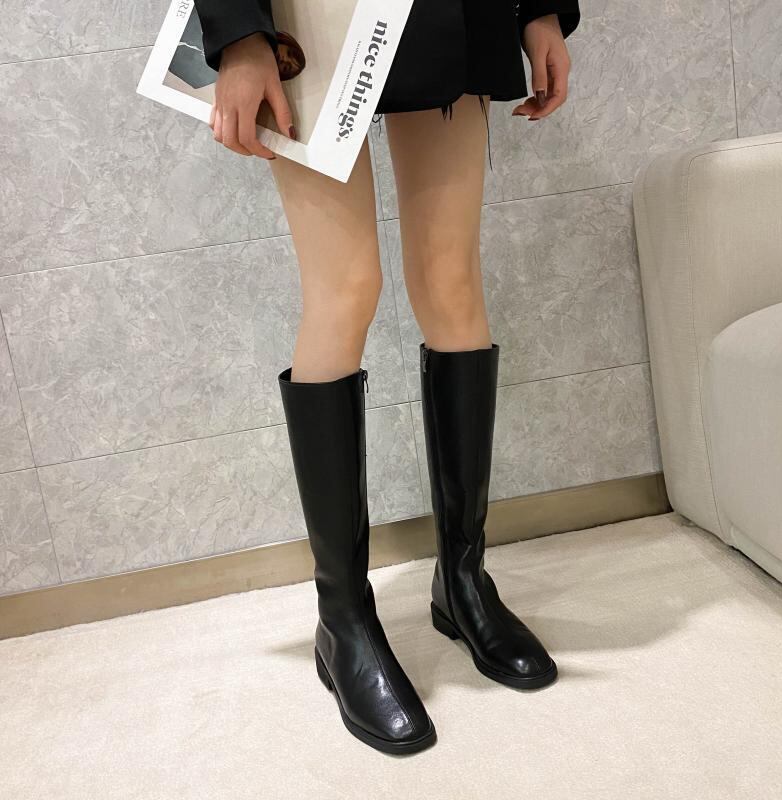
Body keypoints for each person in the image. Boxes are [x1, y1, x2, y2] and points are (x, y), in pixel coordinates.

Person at [194, 0, 581, 756]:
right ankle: (343, 621)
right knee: (344, 289)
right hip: (306, 15)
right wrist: (238, 33)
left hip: (448, 12)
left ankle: (463, 582)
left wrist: (538, 9)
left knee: (452, 283)